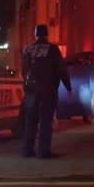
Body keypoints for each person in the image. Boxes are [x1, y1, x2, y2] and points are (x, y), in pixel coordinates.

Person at [21, 24, 72, 159]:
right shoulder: (52, 49)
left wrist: (26, 86)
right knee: (45, 121)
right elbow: (61, 69)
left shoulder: (28, 49)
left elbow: (24, 70)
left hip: (31, 90)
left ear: (35, 34)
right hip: (47, 90)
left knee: (30, 121)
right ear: (47, 34)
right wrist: (68, 87)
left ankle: (26, 150)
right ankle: (43, 152)